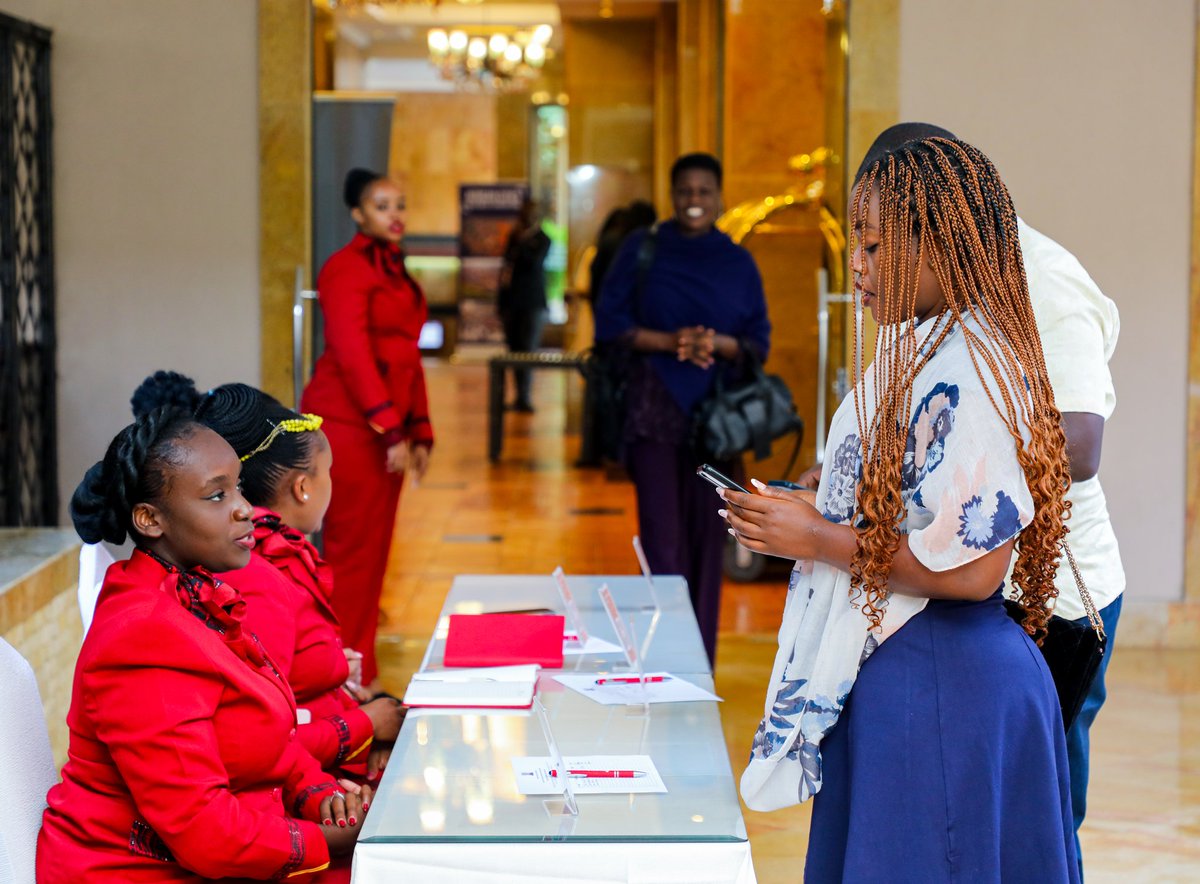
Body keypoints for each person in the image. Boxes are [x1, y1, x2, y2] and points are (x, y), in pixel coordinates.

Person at [724, 135, 1078, 881]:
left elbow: (973, 573)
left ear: (940, 246)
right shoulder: (926, 347)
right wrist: (818, 502)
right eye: (856, 243)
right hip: (910, 672)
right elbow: (918, 506)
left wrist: (816, 537)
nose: (856, 264)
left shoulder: (973, 367)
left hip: (945, 686)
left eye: (874, 245)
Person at [795, 122, 1124, 878]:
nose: (860, 264)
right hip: (932, 603)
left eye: (876, 241)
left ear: (932, 223)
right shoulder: (929, 308)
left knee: (1013, 825)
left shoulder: (1032, 291)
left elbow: (1077, 443)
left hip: (1033, 602)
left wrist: (968, 454)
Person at [38, 407, 367, 882]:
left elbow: (264, 738)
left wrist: (320, 796)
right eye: (217, 495)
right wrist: (329, 842)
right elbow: (205, 832)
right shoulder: (141, 636)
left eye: (238, 487)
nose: (244, 508)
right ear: (150, 519)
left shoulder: (195, 593)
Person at [132, 372, 406, 781]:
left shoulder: (275, 554)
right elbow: (253, 740)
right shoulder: (253, 572)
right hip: (301, 781)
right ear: (303, 487)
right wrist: (366, 725)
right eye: (328, 470)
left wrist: (343, 689)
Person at [595, 152, 771, 665]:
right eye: (685, 191)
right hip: (654, 412)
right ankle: (658, 660)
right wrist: (670, 341)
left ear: (719, 197)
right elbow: (610, 325)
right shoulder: (644, 248)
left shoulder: (737, 261)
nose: (694, 200)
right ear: (672, 196)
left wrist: (716, 344)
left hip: (717, 424)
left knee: (707, 542)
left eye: (704, 191)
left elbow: (758, 341)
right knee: (662, 542)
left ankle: (698, 664)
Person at [302, 167, 434, 689]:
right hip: (348, 425)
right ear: (358, 214)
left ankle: (361, 670)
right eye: (382, 206)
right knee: (351, 553)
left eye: (399, 204)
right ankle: (342, 674)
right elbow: (352, 352)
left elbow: (407, 355)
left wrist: (420, 428)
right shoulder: (346, 268)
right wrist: (391, 428)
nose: (394, 215)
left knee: (375, 552)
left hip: (382, 427)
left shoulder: (396, 270)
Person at [498, 197, 552, 412]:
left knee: (528, 349)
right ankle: (518, 394)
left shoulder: (542, 239)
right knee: (514, 350)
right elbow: (506, 268)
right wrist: (501, 302)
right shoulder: (515, 236)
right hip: (512, 302)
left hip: (532, 303)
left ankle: (525, 395)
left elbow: (533, 263)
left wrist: (523, 242)